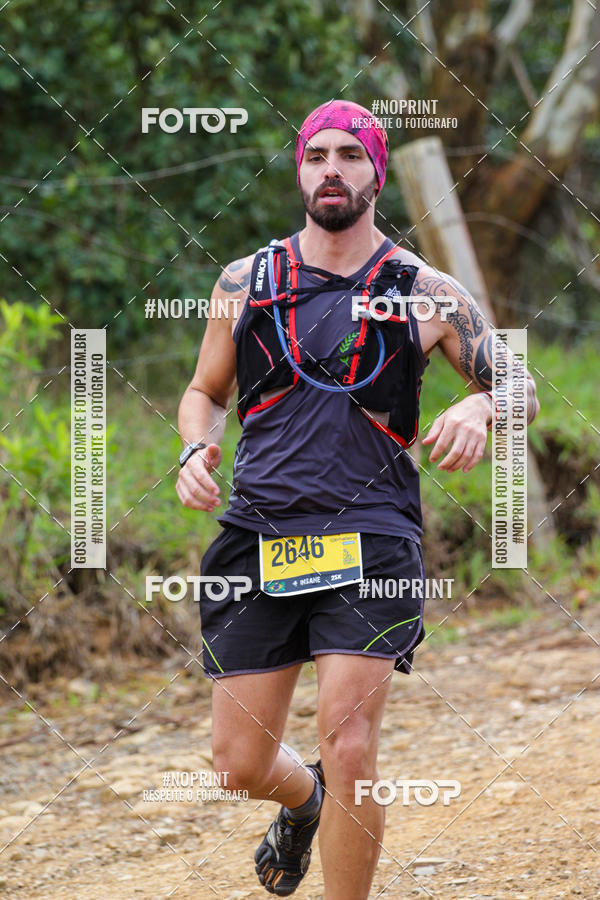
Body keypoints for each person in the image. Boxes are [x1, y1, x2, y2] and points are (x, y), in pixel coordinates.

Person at [176, 100, 540, 899]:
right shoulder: (245, 281)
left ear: (376, 172)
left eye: (349, 155)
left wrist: (481, 405)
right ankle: (304, 801)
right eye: (316, 156)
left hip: (372, 535)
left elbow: (523, 387)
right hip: (258, 532)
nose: (331, 170)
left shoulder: (426, 291)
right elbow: (204, 392)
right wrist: (194, 447)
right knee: (236, 766)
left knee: (349, 745)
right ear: (299, 172)